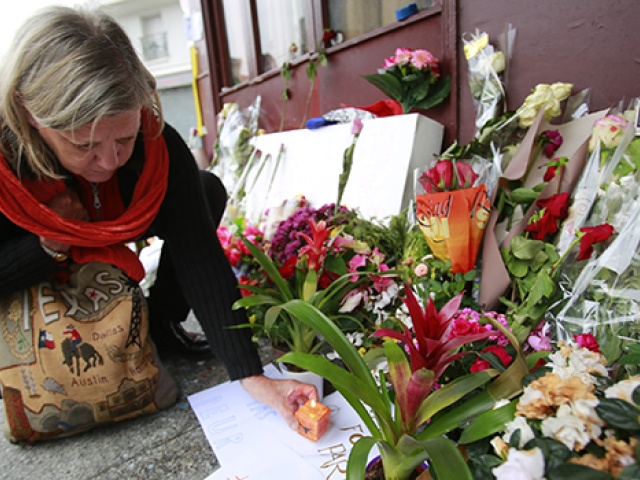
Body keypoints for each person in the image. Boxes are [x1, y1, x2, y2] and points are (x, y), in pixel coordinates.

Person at [0, 5, 316, 431]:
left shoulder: (157, 144)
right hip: (37, 298)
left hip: (106, 235)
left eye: (124, 138)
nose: (109, 162)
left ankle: (160, 324)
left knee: (202, 192)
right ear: (31, 116)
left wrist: (251, 374)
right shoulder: (7, 168)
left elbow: (199, 255)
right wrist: (46, 243)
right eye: (85, 144)